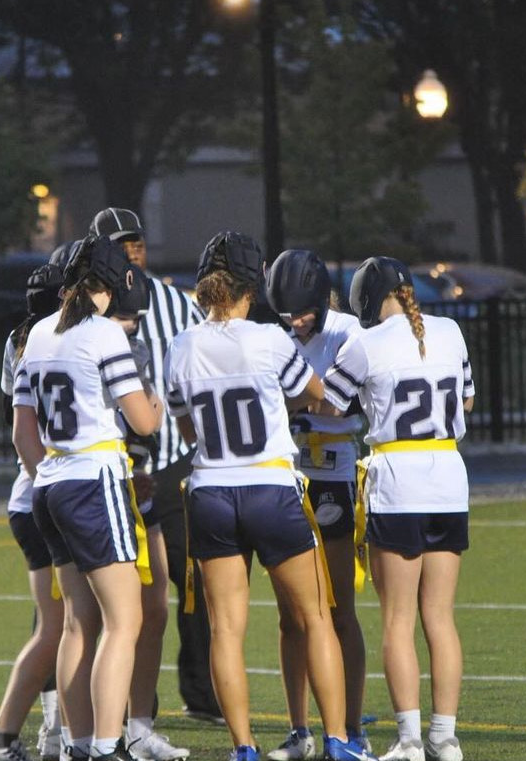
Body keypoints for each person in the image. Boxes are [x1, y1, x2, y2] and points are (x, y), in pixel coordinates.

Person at [163, 231, 375, 761]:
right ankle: (337, 741)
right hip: (270, 487)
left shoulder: (181, 346)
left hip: (211, 492)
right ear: (252, 287)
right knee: (315, 617)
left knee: (226, 631)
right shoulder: (271, 341)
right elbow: (316, 394)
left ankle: (244, 748)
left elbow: (188, 431)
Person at [12, 235, 163, 761]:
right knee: (126, 621)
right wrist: (158, 406)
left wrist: (50, 475)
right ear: (117, 283)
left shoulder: (36, 333)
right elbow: (142, 422)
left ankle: (78, 744)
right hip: (93, 480)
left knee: (78, 622)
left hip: (49, 484)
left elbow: (21, 436)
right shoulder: (102, 333)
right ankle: (104, 744)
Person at [321, 257, 475, 761]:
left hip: (397, 479)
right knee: (440, 618)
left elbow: (330, 404)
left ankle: (409, 740)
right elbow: (467, 401)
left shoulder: (365, 343)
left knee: (397, 620)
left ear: (366, 300)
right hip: (449, 476)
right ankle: (445, 739)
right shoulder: (450, 330)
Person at [88, 207, 219, 723]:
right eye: (120, 243)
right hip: (112, 469)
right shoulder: (86, 312)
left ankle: (201, 691)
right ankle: (121, 704)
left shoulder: (172, 303)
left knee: (193, 583)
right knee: (110, 594)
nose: (132, 250)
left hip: (171, 461)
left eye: (137, 241)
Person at [263, 250, 368, 761]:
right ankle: (299, 729)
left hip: (334, 472)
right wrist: (309, 397)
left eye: (302, 312)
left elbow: (337, 403)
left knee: (338, 609)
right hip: (288, 472)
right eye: (286, 313)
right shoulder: (275, 334)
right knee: (290, 615)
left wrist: (300, 399)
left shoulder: (349, 332)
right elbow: (311, 397)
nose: (295, 321)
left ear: (323, 300)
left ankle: (349, 727)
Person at [0, 262, 68, 761]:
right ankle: (70, 736)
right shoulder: (62, 343)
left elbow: (18, 423)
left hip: (29, 492)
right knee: (73, 626)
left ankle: (38, 734)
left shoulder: (21, 341)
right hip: (53, 492)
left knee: (58, 626)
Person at [107, 266, 190, 761]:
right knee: (90, 617)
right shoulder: (84, 340)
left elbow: (144, 433)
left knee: (153, 604)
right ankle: (81, 732)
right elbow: (147, 417)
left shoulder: (119, 342)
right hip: (93, 484)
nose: (133, 325)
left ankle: (136, 728)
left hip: (132, 483)